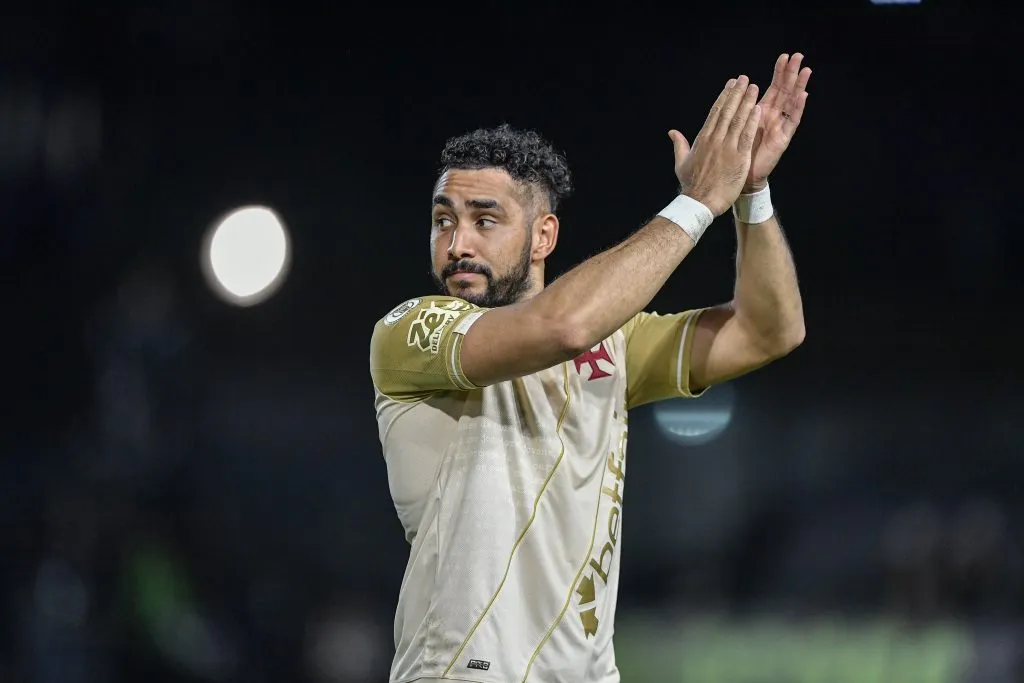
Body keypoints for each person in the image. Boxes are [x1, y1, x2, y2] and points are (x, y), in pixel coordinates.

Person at [369, 53, 811, 683]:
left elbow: (771, 329)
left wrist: (750, 196)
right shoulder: (410, 333)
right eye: (444, 220)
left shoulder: (616, 342)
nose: (457, 242)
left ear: (543, 238)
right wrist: (693, 206)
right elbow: (563, 326)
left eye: (484, 220)